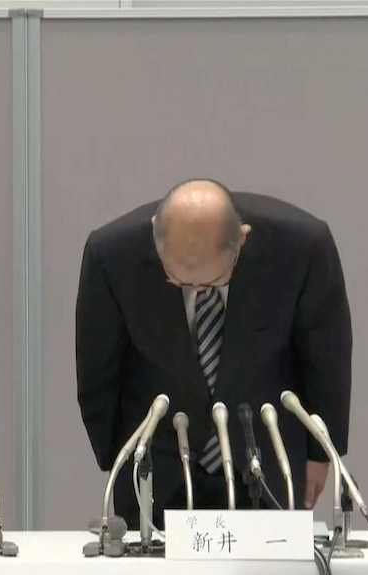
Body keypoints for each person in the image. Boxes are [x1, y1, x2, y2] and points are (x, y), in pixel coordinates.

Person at [75, 178, 352, 528]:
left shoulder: (303, 247)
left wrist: (320, 453)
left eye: (211, 284)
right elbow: (97, 369)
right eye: (181, 283)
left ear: (242, 240)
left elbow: (326, 357)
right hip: (158, 465)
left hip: (266, 459)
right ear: (154, 235)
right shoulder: (111, 254)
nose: (197, 290)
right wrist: (121, 457)